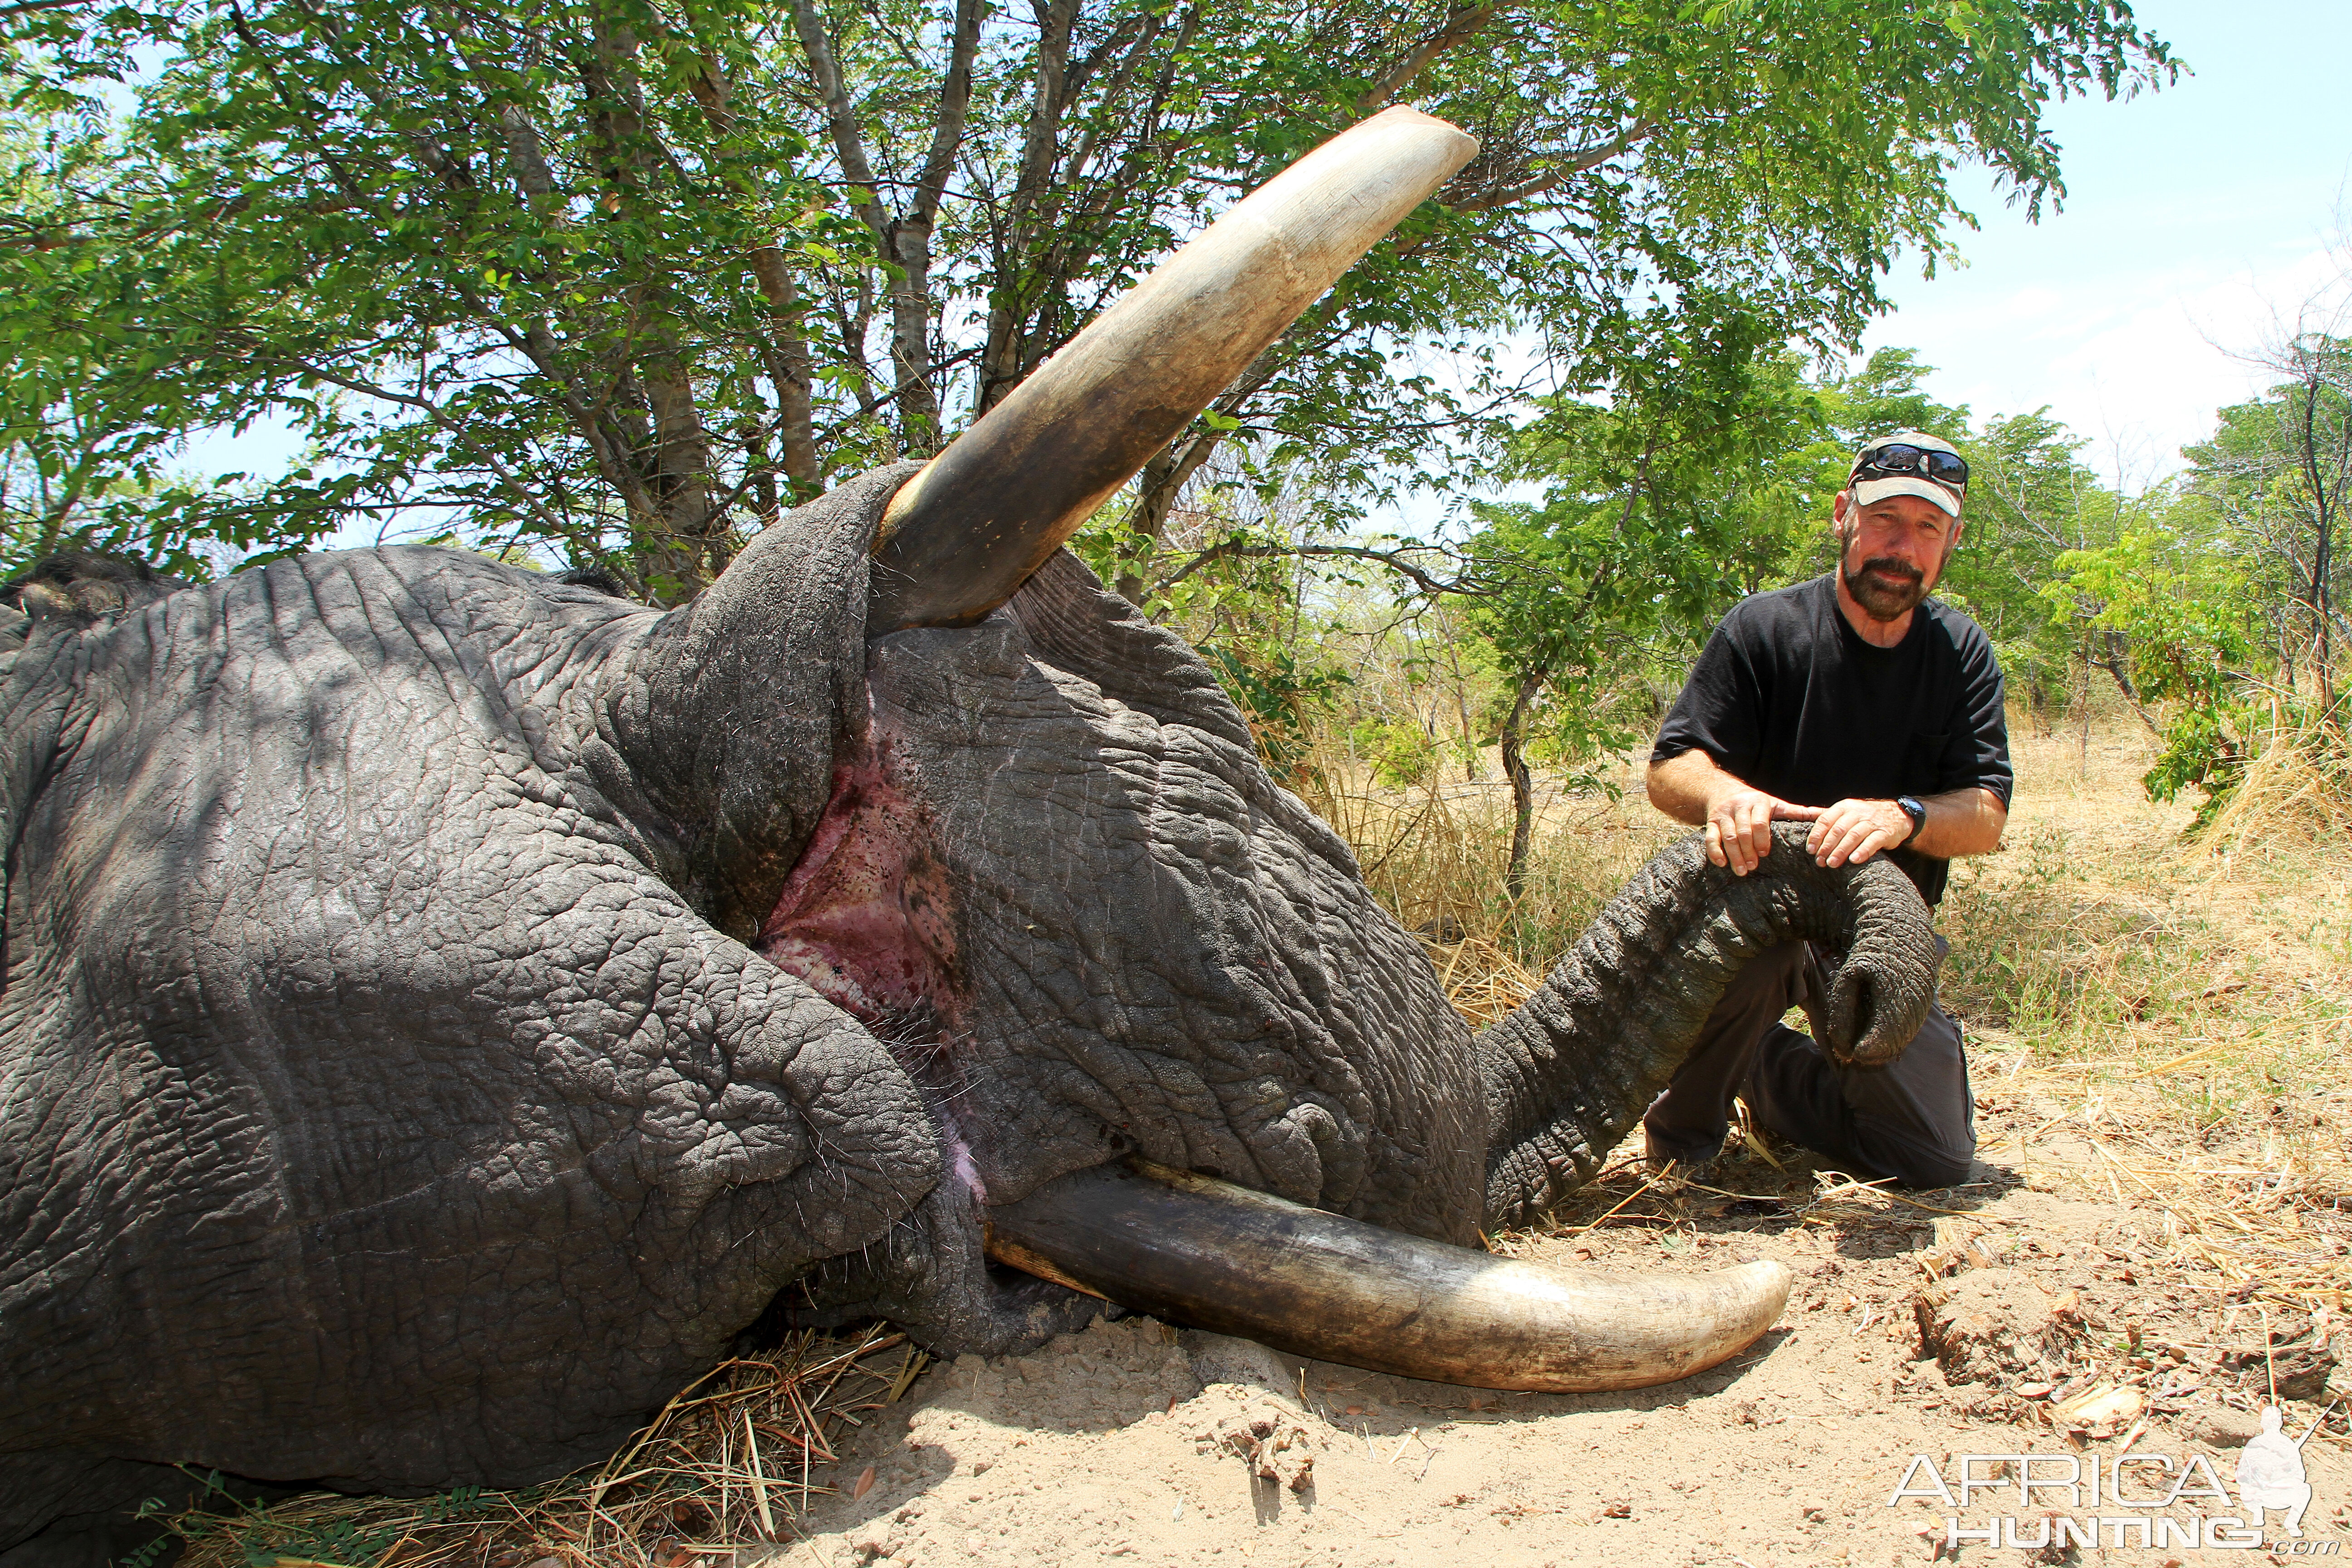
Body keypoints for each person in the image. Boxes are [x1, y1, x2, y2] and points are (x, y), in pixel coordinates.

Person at [1641, 430, 2012, 1189]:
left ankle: (1766, 1071)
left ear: (1951, 542)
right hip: (1757, 917)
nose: (1901, 547)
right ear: (1845, 514)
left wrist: (1903, 816)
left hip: (1879, 931)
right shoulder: (1764, 629)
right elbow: (1670, 769)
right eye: (1885, 520)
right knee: (1751, 966)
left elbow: (1986, 814)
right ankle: (1685, 1131)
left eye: (1927, 529)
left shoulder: (1962, 653)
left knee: (1936, 1161)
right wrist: (1726, 794)